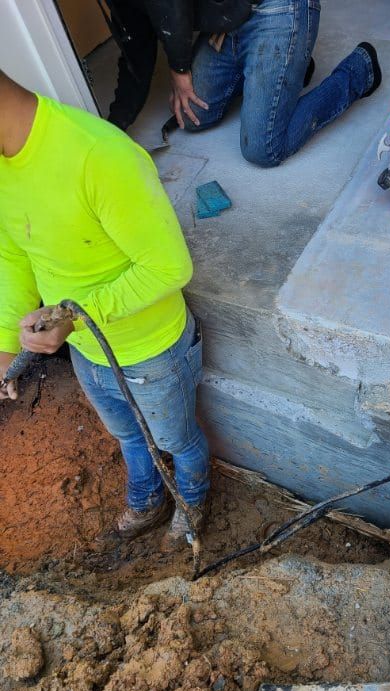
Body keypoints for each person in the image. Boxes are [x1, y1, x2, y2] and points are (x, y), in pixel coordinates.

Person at [0, 70, 209, 553]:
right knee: (128, 435)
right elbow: (14, 252)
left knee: (176, 441)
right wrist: (6, 345)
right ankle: (147, 499)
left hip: (150, 352)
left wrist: (75, 315)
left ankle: (192, 500)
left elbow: (169, 267)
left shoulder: (98, 155)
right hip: (84, 350)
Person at [105, 0, 382, 166]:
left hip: (276, 7)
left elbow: (171, 9)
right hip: (231, 15)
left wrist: (179, 69)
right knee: (191, 116)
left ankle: (360, 70)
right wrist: (110, 130)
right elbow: (136, 53)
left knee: (263, 149)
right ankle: (288, 69)